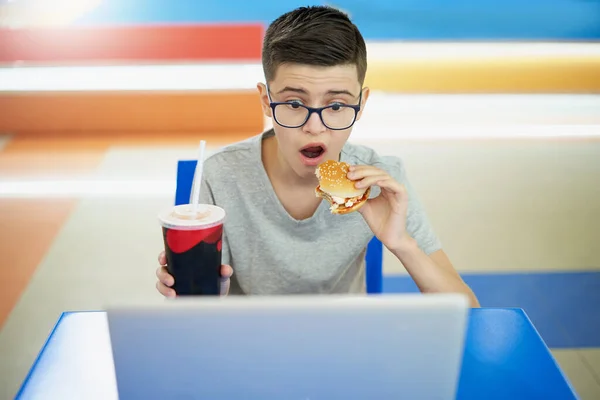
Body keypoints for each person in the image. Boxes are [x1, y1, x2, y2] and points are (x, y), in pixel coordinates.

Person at [156, 5, 480, 307]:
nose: (315, 127)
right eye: (295, 104)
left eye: (336, 106)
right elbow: (201, 306)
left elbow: (469, 309)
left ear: (361, 104)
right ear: (266, 101)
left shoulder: (382, 178)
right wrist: (206, 293)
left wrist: (401, 242)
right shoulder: (219, 174)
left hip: (345, 342)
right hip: (252, 342)